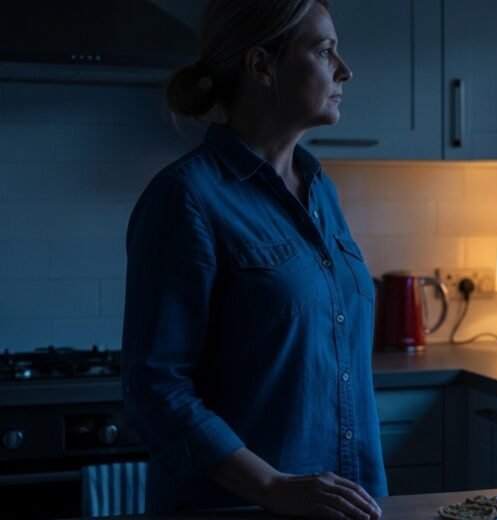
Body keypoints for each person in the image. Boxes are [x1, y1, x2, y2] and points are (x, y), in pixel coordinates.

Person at [121, 0, 385, 517]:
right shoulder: (186, 198)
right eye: (324, 51)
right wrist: (272, 486)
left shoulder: (321, 190)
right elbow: (155, 390)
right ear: (262, 65)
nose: (345, 70)